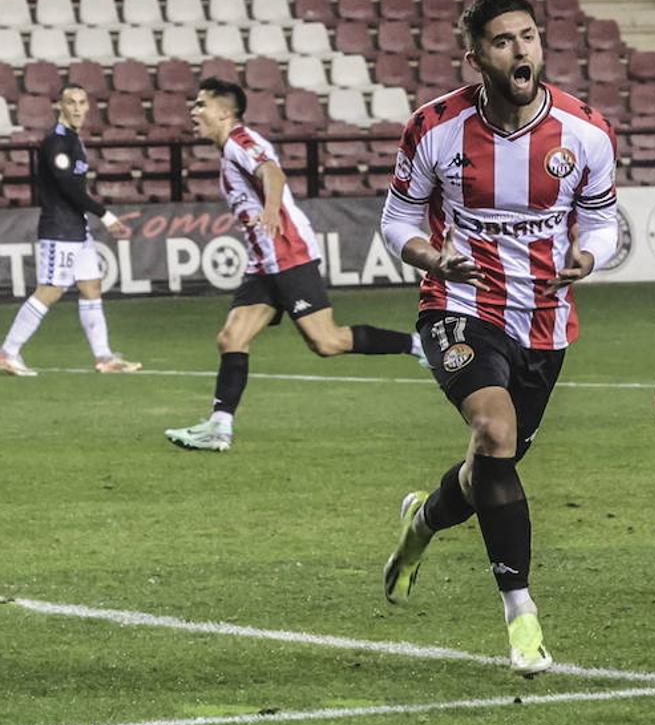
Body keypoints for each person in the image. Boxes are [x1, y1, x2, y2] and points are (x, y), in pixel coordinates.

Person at [378, 0, 619, 676]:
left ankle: (421, 523)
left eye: (529, 37)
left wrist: (589, 255)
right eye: (505, 41)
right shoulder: (434, 127)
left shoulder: (586, 132)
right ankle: (522, 616)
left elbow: (601, 221)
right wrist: (429, 253)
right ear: (477, 56)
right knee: (493, 433)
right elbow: (398, 220)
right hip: (458, 302)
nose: (521, 50)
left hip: (544, 321)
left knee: (492, 465)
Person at [164, 78, 424, 452]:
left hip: (287, 254)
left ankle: (419, 346)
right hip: (263, 263)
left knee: (327, 341)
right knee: (231, 338)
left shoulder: (240, 141)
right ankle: (219, 428)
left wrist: (271, 210)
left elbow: (271, 171)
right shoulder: (229, 149)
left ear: (224, 112)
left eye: (201, 104)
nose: (194, 111)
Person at [0, 84, 140, 377]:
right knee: (50, 290)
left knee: (91, 286)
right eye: (70, 103)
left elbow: (75, 188)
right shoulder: (56, 142)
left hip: (77, 228)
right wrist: (106, 215)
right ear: (59, 107)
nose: (77, 108)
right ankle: (8, 352)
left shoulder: (74, 140)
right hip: (59, 230)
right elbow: (67, 188)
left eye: (81, 102)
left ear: (88, 106)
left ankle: (104, 357)